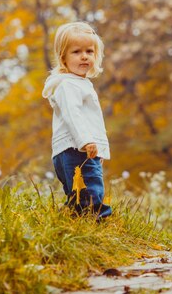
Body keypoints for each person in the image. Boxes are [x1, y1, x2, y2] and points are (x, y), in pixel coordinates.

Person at [42, 21, 112, 219]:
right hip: (76, 149)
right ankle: (98, 225)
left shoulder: (77, 83)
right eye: (76, 52)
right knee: (91, 192)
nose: (84, 56)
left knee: (79, 195)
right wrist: (86, 141)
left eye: (89, 51)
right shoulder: (69, 85)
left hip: (72, 149)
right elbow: (74, 115)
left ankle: (73, 222)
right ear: (63, 57)